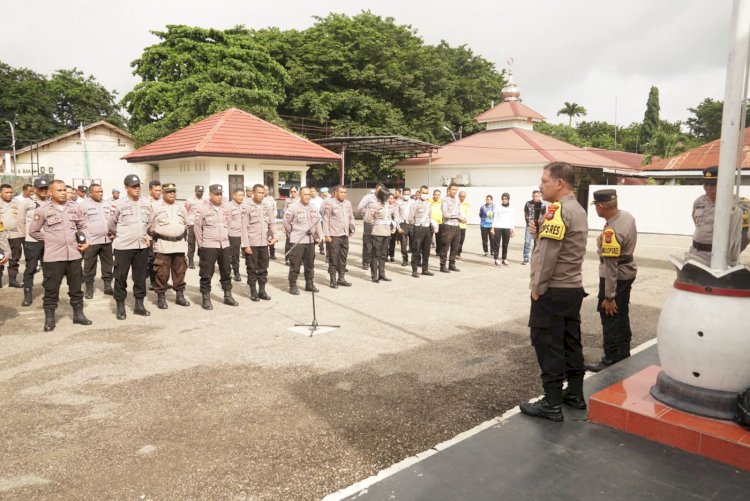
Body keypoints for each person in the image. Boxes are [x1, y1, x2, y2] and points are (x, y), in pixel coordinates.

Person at [520, 161, 588, 422]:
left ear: (559, 183)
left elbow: (548, 256)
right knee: (571, 341)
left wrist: (537, 288)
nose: (540, 185)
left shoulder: (557, 211)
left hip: (553, 290)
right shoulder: (577, 209)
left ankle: (551, 403)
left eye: (545, 181)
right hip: (571, 288)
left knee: (548, 343)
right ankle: (575, 393)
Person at [28, 180, 91, 332]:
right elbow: (33, 231)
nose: (63, 193)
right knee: (51, 289)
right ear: (50, 193)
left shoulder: (75, 208)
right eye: (59, 190)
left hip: (74, 255)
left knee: (76, 288)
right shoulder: (42, 210)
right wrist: (49, 239)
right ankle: (49, 318)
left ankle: (78, 314)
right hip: (54, 256)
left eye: (64, 190)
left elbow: (83, 226)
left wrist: (86, 241)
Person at [585, 189, 638, 372]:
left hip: (615, 277)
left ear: (600, 206)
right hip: (627, 272)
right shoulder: (626, 217)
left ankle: (610, 359)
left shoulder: (612, 231)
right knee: (622, 315)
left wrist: (609, 297)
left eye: (595, 207)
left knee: (610, 316)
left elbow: (610, 266)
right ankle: (623, 353)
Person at [108, 174, 152, 320]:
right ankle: (120, 306)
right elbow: (111, 225)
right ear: (126, 188)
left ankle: (139, 305)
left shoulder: (146, 203)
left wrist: (146, 235)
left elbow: (149, 223)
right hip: (123, 247)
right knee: (120, 277)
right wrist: (123, 235)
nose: (137, 188)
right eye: (133, 186)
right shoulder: (118, 204)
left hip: (141, 247)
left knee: (140, 277)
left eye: (138, 185)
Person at [688, 166, 750, 264]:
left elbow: (745, 237)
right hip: (695, 253)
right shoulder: (699, 201)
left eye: (713, 184)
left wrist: (729, 258)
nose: (708, 188)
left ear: (724, 184)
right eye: (706, 184)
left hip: (718, 259)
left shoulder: (737, 205)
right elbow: (698, 225)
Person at [194, 184, 238, 310]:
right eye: (216, 194)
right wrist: (201, 244)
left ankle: (227, 295)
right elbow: (197, 228)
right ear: (210, 195)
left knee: (226, 270)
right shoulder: (202, 209)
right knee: (206, 272)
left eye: (220, 194)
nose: (219, 196)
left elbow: (228, 224)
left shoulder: (226, 208)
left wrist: (224, 237)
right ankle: (206, 297)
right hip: (209, 245)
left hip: (224, 244)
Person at [149, 183, 190, 309]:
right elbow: (148, 226)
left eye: (173, 191)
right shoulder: (155, 207)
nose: (172, 193)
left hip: (179, 245)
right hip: (163, 245)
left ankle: (180, 296)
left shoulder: (181, 207)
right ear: (163, 193)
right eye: (168, 191)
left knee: (180, 272)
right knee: (162, 273)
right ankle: (161, 297)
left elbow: (186, 224)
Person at [240, 184, 277, 301]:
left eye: (263, 193)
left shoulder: (267, 205)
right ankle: (253, 291)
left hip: (264, 243)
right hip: (252, 243)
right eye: (259, 192)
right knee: (252, 268)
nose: (261, 195)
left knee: (263, 268)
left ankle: (262, 291)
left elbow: (272, 223)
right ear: (253, 193)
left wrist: (275, 236)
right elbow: (243, 227)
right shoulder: (246, 206)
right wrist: (246, 245)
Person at [283, 186, 323, 295]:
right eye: (305, 194)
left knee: (310, 264)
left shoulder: (314, 207)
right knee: (295, 264)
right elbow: (286, 222)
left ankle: (309, 284)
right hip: (298, 241)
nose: (307, 196)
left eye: (309, 194)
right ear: (300, 195)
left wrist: (320, 235)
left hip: (310, 241)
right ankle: (293, 286)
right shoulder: (293, 207)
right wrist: (293, 233)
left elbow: (318, 222)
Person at [18, 178, 49, 306]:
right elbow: (20, 221)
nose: (43, 190)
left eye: (45, 188)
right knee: (30, 268)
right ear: (34, 189)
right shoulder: (26, 203)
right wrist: (23, 238)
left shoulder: (50, 203)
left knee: (48, 268)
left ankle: (49, 293)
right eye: (40, 188)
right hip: (32, 241)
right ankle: (27, 293)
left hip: (47, 240)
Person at [81, 183, 114, 298]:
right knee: (89, 266)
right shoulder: (83, 206)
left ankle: (108, 286)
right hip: (91, 241)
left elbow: (112, 219)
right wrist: (84, 239)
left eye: (101, 191)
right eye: (97, 192)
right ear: (90, 193)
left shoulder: (108, 204)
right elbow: (79, 224)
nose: (100, 193)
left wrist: (113, 233)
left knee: (108, 265)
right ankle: (89, 289)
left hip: (106, 240)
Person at [322, 184, 355, 288]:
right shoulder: (329, 203)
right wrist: (326, 235)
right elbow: (325, 219)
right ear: (335, 193)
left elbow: (351, 217)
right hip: (334, 235)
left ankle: (341, 278)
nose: (343, 194)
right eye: (341, 192)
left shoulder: (348, 203)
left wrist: (352, 227)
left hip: (345, 235)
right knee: (333, 258)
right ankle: (333, 280)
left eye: (345, 192)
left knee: (343, 258)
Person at [365, 189, 399, 282]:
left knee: (383, 254)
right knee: (376, 254)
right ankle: (374, 275)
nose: (387, 198)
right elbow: (368, 218)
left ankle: (382, 274)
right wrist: (374, 224)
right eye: (386, 196)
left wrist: (393, 223)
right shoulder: (374, 205)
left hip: (387, 232)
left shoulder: (388, 205)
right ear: (381, 196)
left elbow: (390, 216)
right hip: (377, 231)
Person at [407, 185, 438, 278]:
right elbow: (410, 218)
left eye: (426, 193)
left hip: (427, 229)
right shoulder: (415, 204)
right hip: (418, 228)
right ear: (419, 193)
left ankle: (425, 269)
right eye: (423, 193)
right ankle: (414, 270)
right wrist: (415, 227)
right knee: (416, 249)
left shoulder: (429, 204)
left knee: (426, 250)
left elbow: (429, 216)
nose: (424, 194)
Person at [0, 183, 24, 288]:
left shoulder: (18, 203)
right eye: (6, 192)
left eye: (11, 192)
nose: (9, 194)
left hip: (15, 234)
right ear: (0, 193)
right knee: (0, 257)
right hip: (1, 235)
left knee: (15, 258)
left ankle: (12, 280)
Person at [357, 182, 385, 270]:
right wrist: (366, 215)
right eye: (379, 189)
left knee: (377, 244)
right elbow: (360, 207)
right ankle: (366, 262)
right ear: (376, 189)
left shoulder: (383, 198)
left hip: (379, 223)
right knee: (367, 243)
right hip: (369, 223)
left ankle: (375, 261)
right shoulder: (369, 197)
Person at [439, 183, 465, 273]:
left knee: (455, 246)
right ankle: (442, 265)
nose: (454, 191)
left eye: (456, 190)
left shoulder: (457, 200)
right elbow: (445, 214)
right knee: (445, 247)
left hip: (456, 226)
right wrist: (458, 217)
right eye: (453, 189)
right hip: (447, 226)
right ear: (449, 190)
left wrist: (462, 218)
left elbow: (460, 212)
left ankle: (452, 264)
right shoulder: (445, 200)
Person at [145, 180, 162, 290]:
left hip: (161, 235)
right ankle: (152, 281)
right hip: (150, 235)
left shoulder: (163, 201)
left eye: (160, 190)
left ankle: (161, 280)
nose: (158, 192)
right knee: (152, 259)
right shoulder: (146, 202)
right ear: (150, 190)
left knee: (162, 259)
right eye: (156, 190)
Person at [491, 192, 515, 266]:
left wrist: (512, 229)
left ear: (508, 199)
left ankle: (504, 259)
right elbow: (494, 218)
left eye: (506, 199)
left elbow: (512, 219)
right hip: (498, 227)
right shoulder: (498, 207)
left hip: (507, 227)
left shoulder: (511, 208)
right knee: (496, 244)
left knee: (505, 244)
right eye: (503, 199)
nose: (504, 200)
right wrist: (492, 227)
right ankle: (496, 259)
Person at [185, 185, 205, 269]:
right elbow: (185, 210)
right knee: (191, 243)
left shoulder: (205, 201)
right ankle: (191, 261)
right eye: (198, 191)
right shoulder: (190, 200)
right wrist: (187, 222)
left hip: (202, 225)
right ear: (195, 191)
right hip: (192, 223)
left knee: (202, 243)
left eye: (201, 191)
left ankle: (201, 260)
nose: (200, 193)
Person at [523, 190, 544, 265]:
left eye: (536, 196)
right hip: (529, 225)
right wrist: (527, 221)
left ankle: (533, 258)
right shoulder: (528, 203)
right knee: (527, 242)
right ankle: (526, 258)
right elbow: (525, 213)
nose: (534, 197)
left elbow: (544, 215)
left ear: (539, 196)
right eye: (533, 196)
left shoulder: (543, 205)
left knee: (536, 243)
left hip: (538, 226)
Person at [229, 188, 245, 282]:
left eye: (243, 195)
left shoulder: (245, 205)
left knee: (248, 253)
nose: (241, 197)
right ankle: (236, 272)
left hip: (245, 234)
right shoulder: (228, 206)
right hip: (234, 234)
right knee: (234, 255)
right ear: (234, 195)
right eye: (239, 195)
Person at [396, 187, 413, 266]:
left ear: (410, 194)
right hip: (403, 224)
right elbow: (396, 215)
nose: (406, 195)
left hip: (412, 225)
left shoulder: (414, 202)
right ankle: (405, 259)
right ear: (402, 194)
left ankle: (415, 260)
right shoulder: (398, 203)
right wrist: (398, 227)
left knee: (415, 244)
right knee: (403, 244)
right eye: (405, 194)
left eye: (408, 194)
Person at [283, 186, 299, 265]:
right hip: (289, 224)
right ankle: (288, 258)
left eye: (294, 191)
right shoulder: (287, 200)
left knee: (299, 242)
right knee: (289, 241)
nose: (293, 193)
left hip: (298, 224)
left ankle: (299, 259)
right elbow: (285, 212)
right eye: (291, 191)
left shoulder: (300, 200)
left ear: (297, 192)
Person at [262, 185, 278, 259]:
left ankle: (272, 253)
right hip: (263, 221)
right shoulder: (260, 199)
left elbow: (275, 210)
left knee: (271, 236)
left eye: (267, 189)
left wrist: (273, 217)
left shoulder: (271, 199)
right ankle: (264, 253)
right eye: (264, 189)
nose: (265, 191)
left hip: (271, 221)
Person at [457, 191, 470, 259]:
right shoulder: (456, 203)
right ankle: (456, 254)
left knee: (461, 240)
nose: (462, 197)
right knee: (456, 240)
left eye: (463, 196)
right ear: (458, 196)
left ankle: (459, 253)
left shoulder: (466, 204)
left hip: (463, 225)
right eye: (461, 196)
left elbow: (467, 213)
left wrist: (465, 219)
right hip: (456, 225)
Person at [430, 189, 443, 255]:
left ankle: (438, 251)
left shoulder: (442, 202)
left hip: (439, 222)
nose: (437, 196)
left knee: (439, 238)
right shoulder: (429, 201)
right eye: (435, 194)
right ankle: (427, 250)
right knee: (429, 237)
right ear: (433, 195)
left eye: (438, 195)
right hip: (430, 222)